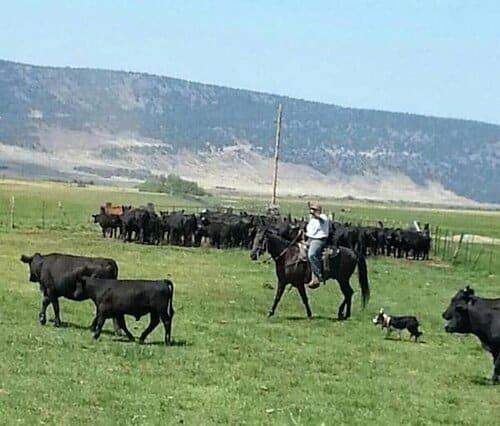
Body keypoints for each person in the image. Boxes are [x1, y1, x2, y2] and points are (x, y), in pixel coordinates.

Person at [305, 203, 330, 289]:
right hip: (310, 239)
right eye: (312, 209)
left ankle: (318, 276)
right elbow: (309, 231)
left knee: (311, 254)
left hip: (319, 240)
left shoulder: (324, 217)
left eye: (314, 209)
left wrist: (314, 214)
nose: (312, 211)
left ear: (319, 210)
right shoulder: (311, 220)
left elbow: (319, 217)